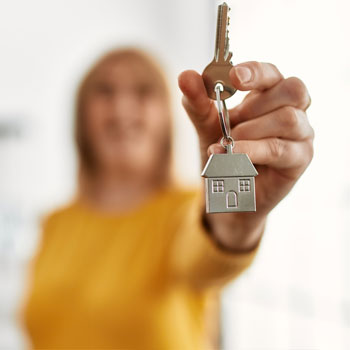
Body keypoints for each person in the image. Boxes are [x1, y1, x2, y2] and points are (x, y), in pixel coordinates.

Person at [20, 48, 313, 349]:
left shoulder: (186, 210)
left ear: (166, 118)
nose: (121, 107)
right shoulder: (56, 222)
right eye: (104, 91)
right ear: (81, 116)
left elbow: (208, 256)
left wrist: (234, 216)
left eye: (143, 91)